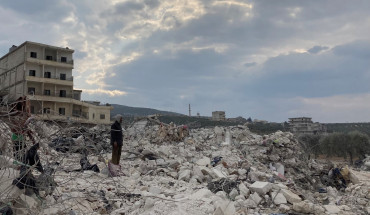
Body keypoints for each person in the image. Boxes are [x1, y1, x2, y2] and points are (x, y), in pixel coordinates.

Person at [9, 96, 35, 163]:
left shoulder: (22, 115)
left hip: (20, 138)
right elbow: (15, 129)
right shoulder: (16, 115)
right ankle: (18, 168)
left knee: (22, 155)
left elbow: (24, 127)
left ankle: (20, 167)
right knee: (18, 155)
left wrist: (31, 137)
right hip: (17, 138)